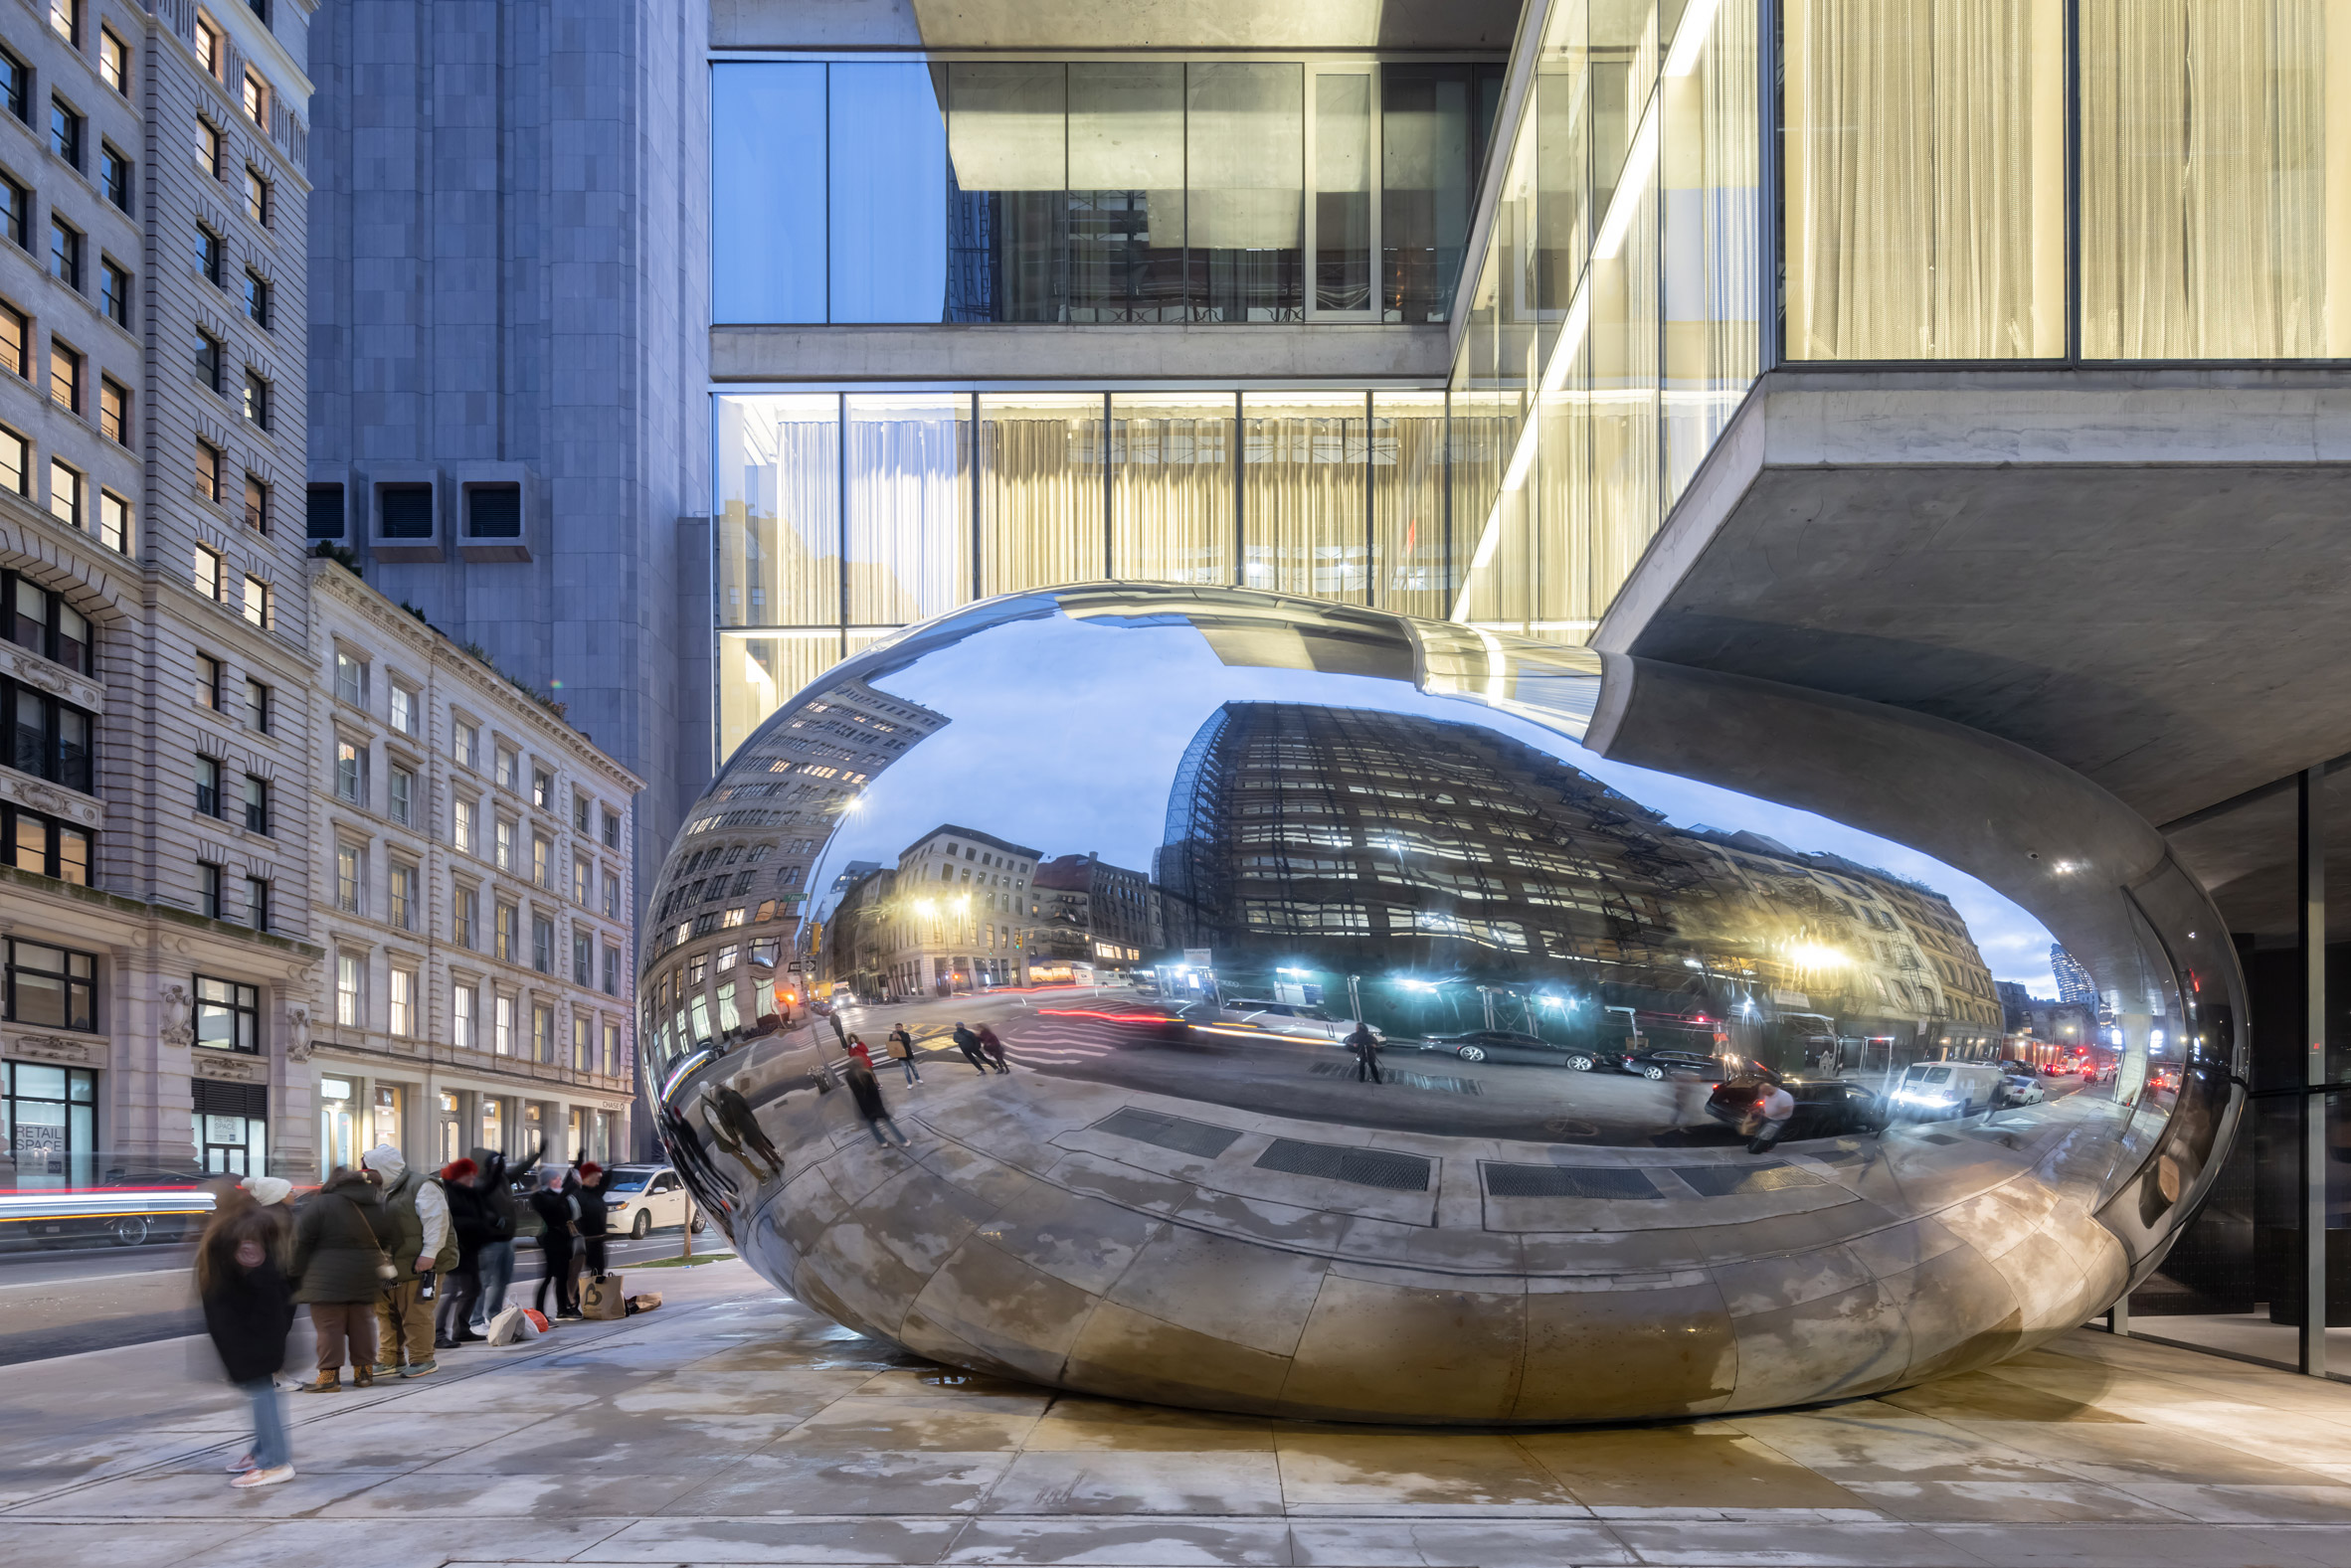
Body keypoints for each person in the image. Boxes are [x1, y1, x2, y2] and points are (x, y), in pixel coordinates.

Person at [198, 1177, 298, 1487]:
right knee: (259, 1391)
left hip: (251, 1330)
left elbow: (263, 1284)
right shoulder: (238, 1229)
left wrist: (258, 1333)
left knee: (262, 1393)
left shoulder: (240, 1233)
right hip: (246, 1329)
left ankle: (275, 1462)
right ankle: (262, 1453)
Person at [289, 1164, 392, 1392]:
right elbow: (387, 1237)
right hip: (365, 1274)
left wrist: (295, 1270)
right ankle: (364, 1374)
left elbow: (301, 1241)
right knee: (363, 1324)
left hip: (326, 1276)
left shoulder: (322, 1204)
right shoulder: (374, 1204)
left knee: (329, 1327)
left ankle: (329, 1378)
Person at [360, 1143, 452, 1379]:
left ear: (383, 1168)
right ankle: (391, 1358)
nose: (366, 1175)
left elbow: (436, 1222)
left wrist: (429, 1254)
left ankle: (423, 1358)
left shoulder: (422, 1186)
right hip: (389, 1268)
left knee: (415, 1313)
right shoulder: (379, 1189)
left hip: (417, 1266)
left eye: (369, 1170)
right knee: (386, 1311)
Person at [469, 1143, 540, 1331]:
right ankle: (475, 1321)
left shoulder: (501, 1179)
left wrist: (535, 1155)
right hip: (488, 1242)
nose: (497, 1166)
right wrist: (493, 1220)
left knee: (502, 1281)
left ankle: (493, 1316)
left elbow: (518, 1170)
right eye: (493, 1163)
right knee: (484, 1282)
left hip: (507, 1239)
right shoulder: (478, 1184)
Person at [434, 1157, 490, 1349]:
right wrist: (476, 1224)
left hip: (469, 1248)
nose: (472, 1179)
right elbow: (451, 1221)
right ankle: (438, 1333)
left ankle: (461, 1329)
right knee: (452, 1291)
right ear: (459, 1176)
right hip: (456, 1249)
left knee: (473, 1289)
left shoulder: (469, 1193)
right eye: (468, 1176)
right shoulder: (448, 1193)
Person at [528, 1167, 581, 1320]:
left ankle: (562, 1309)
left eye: (559, 1178)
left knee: (563, 1276)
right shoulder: (540, 1196)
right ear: (546, 1181)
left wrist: (578, 1162)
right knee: (547, 1277)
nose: (559, 1182)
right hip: (550, 1240)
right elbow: (553, 1205)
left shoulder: (559, 1194)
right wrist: (572, 1185)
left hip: (564, 1240)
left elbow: (563, 1194)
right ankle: (539, 1312)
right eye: (555, 1179)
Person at [843, 1058, 910, 1147]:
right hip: (875, 1104)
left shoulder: (848, 1076)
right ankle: (903, 1141)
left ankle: (883, 1142)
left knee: (872, 1125)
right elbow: (874, 1092)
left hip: (864, 1106)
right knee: (888, 1122)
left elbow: (856, 1092)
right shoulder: (866, 1074)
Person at [569, 1160, 617, 1285]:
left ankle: (595, 1299)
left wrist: (603, 1168)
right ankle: (575, 1299)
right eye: (596, 1176)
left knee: (599, 1271)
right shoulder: (578, 1194)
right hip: (585, 1240)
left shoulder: (597, 1191)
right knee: (576, 1273)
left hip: (598, 1240)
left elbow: (607, 1177)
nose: (599, 1179)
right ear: (587, 1177)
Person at [1748, 1080, 1797, 1153]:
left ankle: (1769, 1147)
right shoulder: (1768, 1093)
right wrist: (1760, 1109)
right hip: (1768, 1117)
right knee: (1762, 1132)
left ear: (1770, 1090)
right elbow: (1766, 1102)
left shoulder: (1784, 1096)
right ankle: (1758, 1145)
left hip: (1779, 1119)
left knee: (1774, 1134)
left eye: (1765, 1093)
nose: (1764, 1095)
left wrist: (1772, 1113)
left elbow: (1787, 1109)